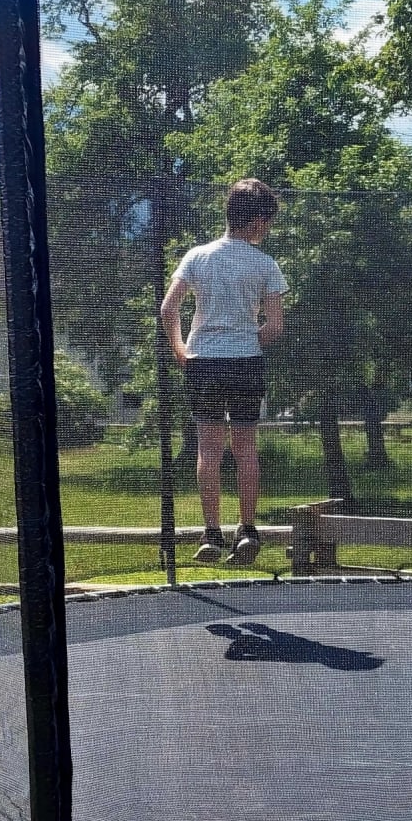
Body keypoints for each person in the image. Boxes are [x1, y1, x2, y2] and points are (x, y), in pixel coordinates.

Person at [160, 178, 287, 566]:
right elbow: (274, 326)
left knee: (209, 450)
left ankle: (212, 534)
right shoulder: (264, 264)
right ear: (257, 221)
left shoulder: (197, 256)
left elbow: (168, 309)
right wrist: (247, 341)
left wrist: (180, 349)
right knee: (245, 449)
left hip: (204, 362)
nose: (267, 229)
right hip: (246, 362)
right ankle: (247, 529)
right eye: (267, 222)